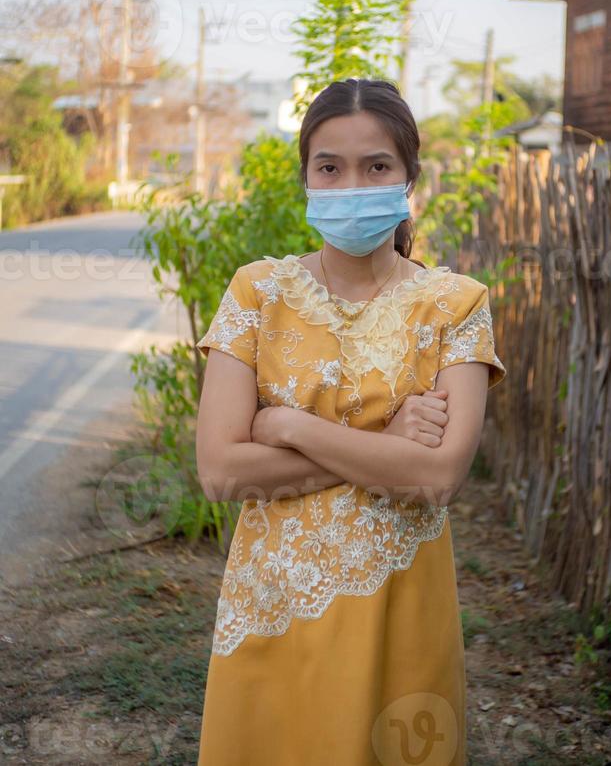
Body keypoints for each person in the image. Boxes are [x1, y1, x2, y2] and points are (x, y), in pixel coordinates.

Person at [194, 78, 506, 766]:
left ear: (407, 179)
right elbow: (220, 471)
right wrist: (382, 445)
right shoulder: (258, 293)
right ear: (305, 175)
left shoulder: (454, 305)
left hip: (399, 612)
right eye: (328, 167)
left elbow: (435, 479)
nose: (350, 184)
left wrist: (289, 427)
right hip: (273, 606)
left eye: (376, 167)